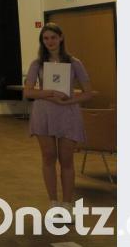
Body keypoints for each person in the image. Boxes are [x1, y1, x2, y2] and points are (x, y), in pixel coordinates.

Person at [23, 23, 94, 216]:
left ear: (61, 38)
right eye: (45, 38)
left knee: (66, 160)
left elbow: (89, 93)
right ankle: (53, 203)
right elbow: (28, 91)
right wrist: (49, 93)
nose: (50, 42)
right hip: (43, 114)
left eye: (53, 37)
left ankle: (67, 204)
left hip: (68, 114)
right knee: (48, 157)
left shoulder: (74, 62)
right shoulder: (37, 64)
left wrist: (67, 101)